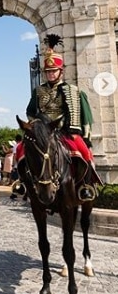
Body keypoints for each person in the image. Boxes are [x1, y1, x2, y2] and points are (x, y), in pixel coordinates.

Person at [25, 34, 101, 202]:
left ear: (61, 71)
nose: (50, 74)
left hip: (65, 131)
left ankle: (86, 186)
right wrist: (38, 123)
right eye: (48, 72)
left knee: (85, 153)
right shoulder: (38, 91)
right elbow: (30, 111)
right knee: (23, 151)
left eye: (53, 71)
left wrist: (85, 137)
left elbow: (85, 117)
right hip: (44, 131)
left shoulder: (73, 91)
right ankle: (23, 183)